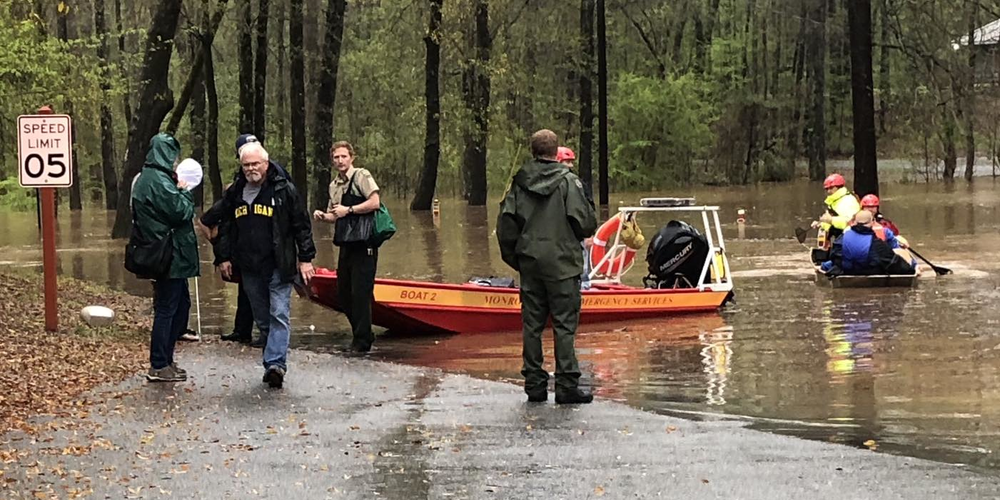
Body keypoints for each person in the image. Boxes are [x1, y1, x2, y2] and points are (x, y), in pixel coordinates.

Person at [497, 129, 598, 404]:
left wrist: (517, 259)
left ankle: (535, 385)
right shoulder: (569, 183)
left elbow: (505, 225)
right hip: (563, 265)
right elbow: (586, 224)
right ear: (556, 153)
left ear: (533, 151)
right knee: (564, 326)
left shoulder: (519, 183)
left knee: (532, 325)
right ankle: (566, 386)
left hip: (530, 263)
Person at [212, 141, 316, 388]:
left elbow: (301, 225)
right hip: (249, 267)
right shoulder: (236, 191)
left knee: (279, 313)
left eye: (255, 164)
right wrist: (223, 257)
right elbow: (225, 227)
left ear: (266, 164)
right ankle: (273, 360)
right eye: (246, 165)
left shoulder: (284, 190)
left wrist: (306, 259)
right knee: (263, 319)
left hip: (279, 265)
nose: (251, 169)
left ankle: (275, 364)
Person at [130, 133, 200, 382]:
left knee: (178, 306)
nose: (175, 161)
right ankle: (159, 364)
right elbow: (181, 211)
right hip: (168, 255)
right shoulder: (157, 181)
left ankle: (166, 361)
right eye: (173, 156)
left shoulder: (151, 178)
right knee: (167, 309)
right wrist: (184, 192)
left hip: (167, 254)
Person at [312, 141, 382, 353]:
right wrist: (324, 216)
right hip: (346, 243)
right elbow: (336, 215)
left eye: (344, 156)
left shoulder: (362, 176)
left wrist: (349, 210)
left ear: (352, 157)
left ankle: (361, 342)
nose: (340, 161)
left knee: (361, 294)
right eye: (336, 157)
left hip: (365, 243)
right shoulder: (333, 185)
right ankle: (364, 333)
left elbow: (375, 202)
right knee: (343, 293)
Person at [822, 210, 915, 276]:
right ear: (872, 222)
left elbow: (834, 257)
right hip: (869, 271)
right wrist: (912, 269)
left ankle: (822, 267)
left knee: (828, 265)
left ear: (854, 222)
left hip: (847, 271)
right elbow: (893, 263)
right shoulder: (877, 244)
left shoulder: (841, 239)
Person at [557, 146, 593, 290]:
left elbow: (588, 208)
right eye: (566, 161)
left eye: (571, 162)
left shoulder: (577, 184)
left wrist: (589, 234)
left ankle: (584, 289)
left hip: (576, 233)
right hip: (559, 235)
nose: (570, 165)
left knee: (582, 266)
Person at [811, 173, 861, 246]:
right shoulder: (834, 201)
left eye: (831, 188)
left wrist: (831, 220)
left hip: (850, 241)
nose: (828, 191)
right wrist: (821, 224)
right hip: (840, 238)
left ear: (839, 187)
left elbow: (851, 223)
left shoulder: (849, 201)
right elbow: (834, 221)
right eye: (827, 189)